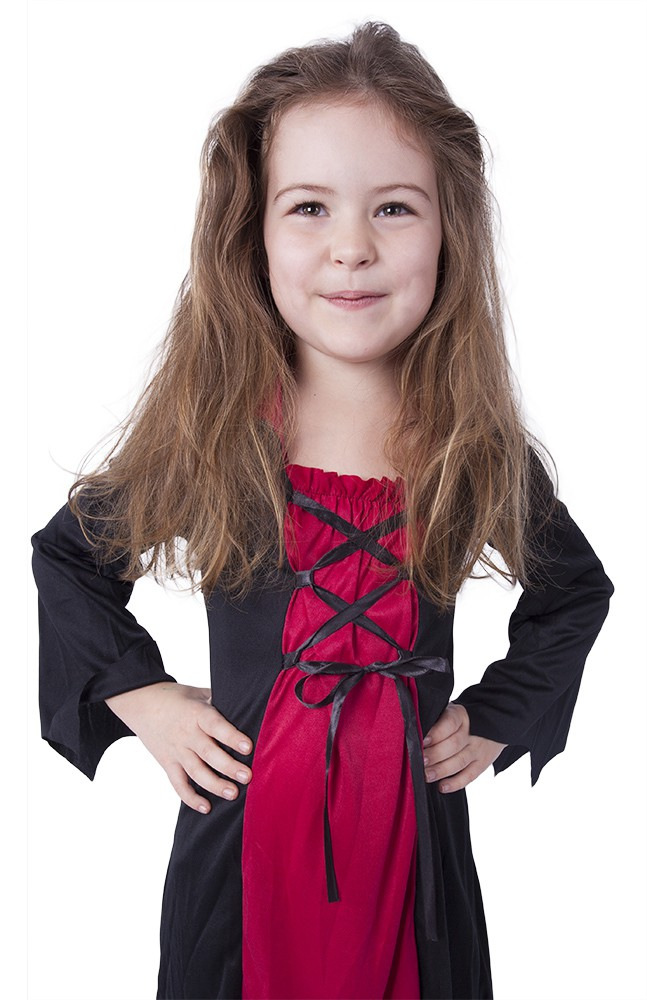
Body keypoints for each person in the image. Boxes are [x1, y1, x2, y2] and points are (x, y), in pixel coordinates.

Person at [31, 20, 613, 1000]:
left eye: (393, 207)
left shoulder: (468, 447)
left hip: (411, 847)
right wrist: (144, 698)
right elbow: (69, 559)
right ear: (252, 234)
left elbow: (573, 593)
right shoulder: (215, 435)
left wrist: (497, 716)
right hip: (240, 849)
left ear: (448, 230)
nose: (351, 248)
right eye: (308, 207)